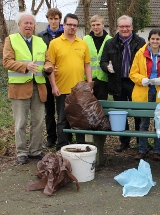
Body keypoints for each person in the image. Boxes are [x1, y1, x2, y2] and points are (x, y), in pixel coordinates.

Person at [3, 11, 54, 164]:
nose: (29, 25)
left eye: (31, 23)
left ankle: (35, 150)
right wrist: (25, 66)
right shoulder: (11, 40)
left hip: (38, 87)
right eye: (25, 23)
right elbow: (7, 62)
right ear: (19, 25)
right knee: (20, 123)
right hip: (19, 88)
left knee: (38, 121)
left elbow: (48, 61)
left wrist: (48, 68)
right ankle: (21, 153)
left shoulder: (40, 41)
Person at [100, 15, 145, 152]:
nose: (124, 29)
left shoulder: (140, 42)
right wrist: (107, 67)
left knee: (138, 113)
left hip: (135, 83)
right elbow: (103, 61)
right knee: (120, 114)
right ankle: (124, 141)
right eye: (122, 26)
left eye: (127, 26)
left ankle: (140, 141)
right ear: (118, 27)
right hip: (117, 82)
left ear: (132, 27)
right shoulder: (110, 43)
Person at [48, 13, 92, 152]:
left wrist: (89, 85)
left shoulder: (83, 43)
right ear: (64, 25)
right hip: (61, 88)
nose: (72, 27)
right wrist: (53, 86)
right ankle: (62, 146)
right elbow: (50, 66)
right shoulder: (54, 43)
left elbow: (87, 65)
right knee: (62, 120)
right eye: (69, 24)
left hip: (79, 90)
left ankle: (80, 146)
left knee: (79, 120)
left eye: (75, 25)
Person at [129, 29, 160, 161]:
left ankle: (157, 150)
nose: (155, 41)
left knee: (159, 123)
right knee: (144, 123)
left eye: (157, 39)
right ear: (149, 39)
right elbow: (133, 73)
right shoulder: (140, 53)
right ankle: (142, 149)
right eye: (152, 39)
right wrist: (142, 79)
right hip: (144, 91)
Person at [37, 8, 64, 149]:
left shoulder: (65, 34)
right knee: (49, 110)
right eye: (51, 19)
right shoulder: (41, 36)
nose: (53, 21)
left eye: (56, 19)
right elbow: (38, 57)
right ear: (48, 19)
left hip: (62, 78)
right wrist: (46, 68)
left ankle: (64, 137)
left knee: (63, 110)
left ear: (60, 19)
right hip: (45, 78)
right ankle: (51, 138)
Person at [83, 15, 112, 100]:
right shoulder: (85, 39)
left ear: (103, 25)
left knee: (101, 106)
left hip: (103, 78)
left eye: (98, 24)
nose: (95, 27)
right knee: (87, 105)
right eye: (93, 25)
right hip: (88, 78)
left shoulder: (110, 40)